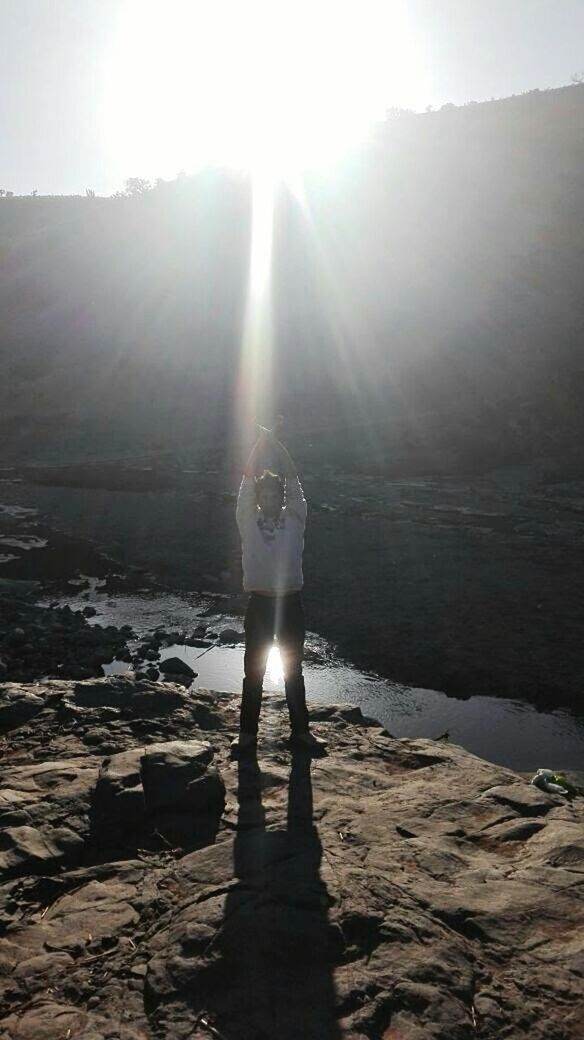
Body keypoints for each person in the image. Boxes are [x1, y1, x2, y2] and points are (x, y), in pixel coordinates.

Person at [232, 419, 326, 753]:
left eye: (275, 493)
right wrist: (261, 444)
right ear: (259, 497)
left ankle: (301, 734)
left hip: (290, 605)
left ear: (281, 496)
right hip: (259, 606)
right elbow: (245, 484)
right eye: (265, 493)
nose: (270, 497)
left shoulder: (295, 518)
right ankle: (247, 737)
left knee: (293, 672)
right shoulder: (248, 520)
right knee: (253, 674)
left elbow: (294, 481)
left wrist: (277, 444)